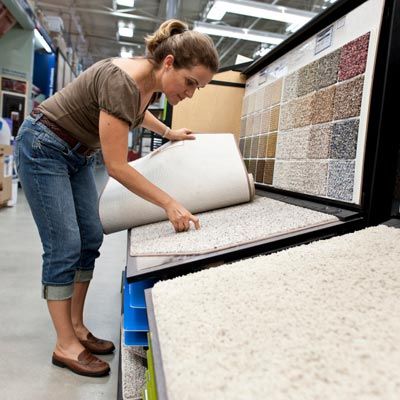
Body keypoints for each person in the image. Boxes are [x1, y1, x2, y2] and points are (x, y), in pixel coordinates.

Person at [15, 19, 219, 377]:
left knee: (90, 237)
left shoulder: (148, 85)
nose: (190, 93)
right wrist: (169, 202)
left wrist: (169, 132)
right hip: (44, 146)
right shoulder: (120, 80)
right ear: (169, 62)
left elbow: (136, 115)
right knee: (64, 244)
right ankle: (65, 345)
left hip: (75, 153)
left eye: (198, 88)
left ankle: (77, 328)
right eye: (190, 83)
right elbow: (117, 167)